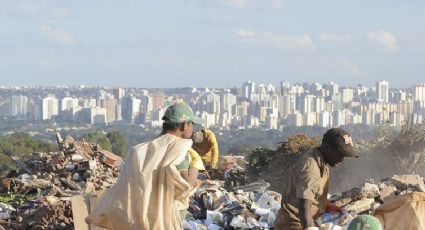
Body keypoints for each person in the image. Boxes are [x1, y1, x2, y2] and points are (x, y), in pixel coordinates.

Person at [86, 102, 203, 230]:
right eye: (192, 124)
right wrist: (196, 164)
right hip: (165, 220)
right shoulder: (178, 149)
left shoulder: (142, 150)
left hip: (140, 219)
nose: (193, 128)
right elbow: (187, 184)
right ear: (184, 125)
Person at [274, 128, 359, 230]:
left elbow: (314, 196)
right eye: (340, 154)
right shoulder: (311, 167)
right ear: (328, 147)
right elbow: (303, 206)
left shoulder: (322, 161)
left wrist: (327, 206)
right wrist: (310, 228)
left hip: (306, 221)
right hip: (294, 225)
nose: (341, 159)